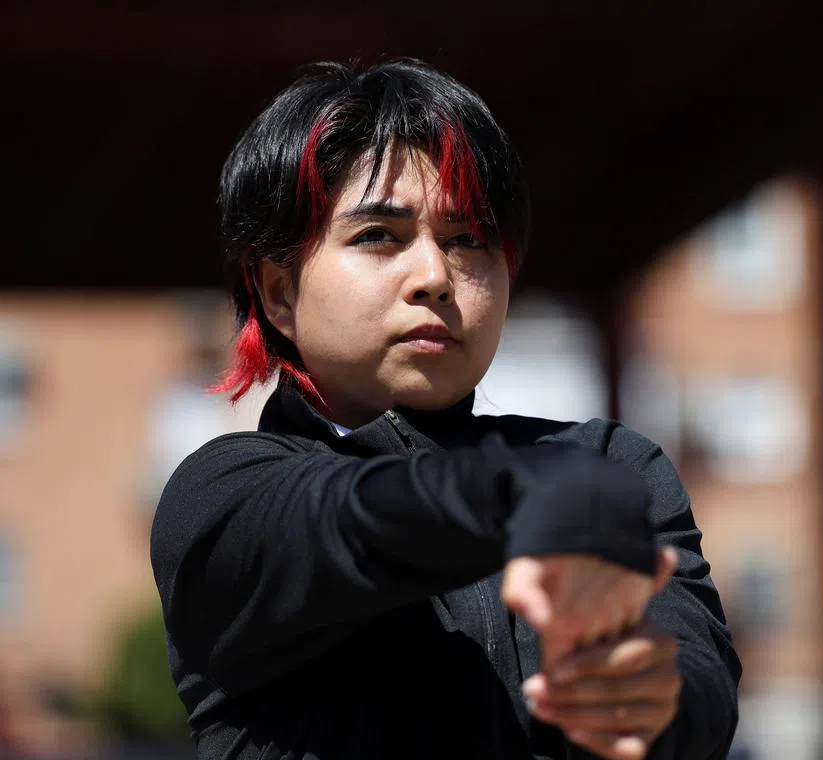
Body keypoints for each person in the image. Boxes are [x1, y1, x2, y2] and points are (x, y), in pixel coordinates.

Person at [150, 59, 741, 760]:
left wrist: (655, 690)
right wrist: (518, 497)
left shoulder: (615, 465)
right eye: (379, 236)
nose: (434, 276)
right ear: (278, 293)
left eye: (468, 240)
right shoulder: (224, 495)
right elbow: (341, 519)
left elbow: (700, 674)